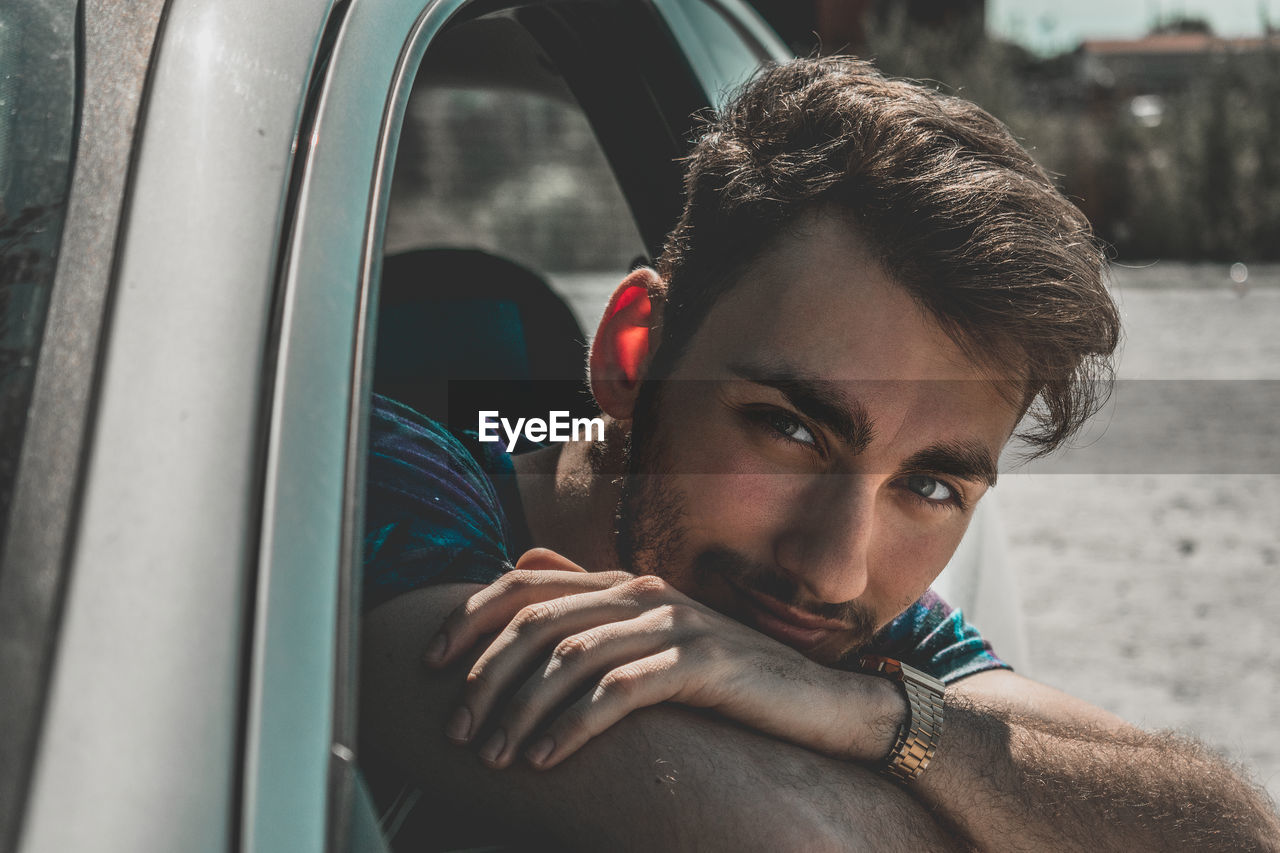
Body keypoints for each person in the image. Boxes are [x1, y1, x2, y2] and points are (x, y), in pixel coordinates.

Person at [359, 58, 1280, 850]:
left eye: (927, 484)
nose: (835, 569)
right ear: (632, 354)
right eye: (791, 429)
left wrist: (880, 717)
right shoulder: (384, 482)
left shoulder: (868, 635)